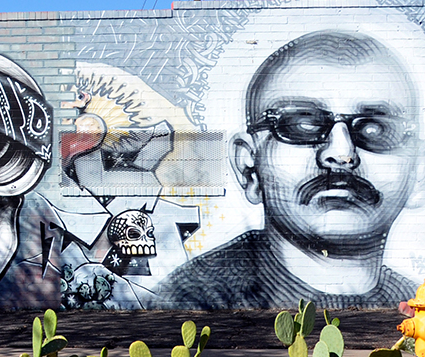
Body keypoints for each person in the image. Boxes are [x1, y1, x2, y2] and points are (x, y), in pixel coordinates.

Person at [153, 30, 422, 308]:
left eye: (374, 129)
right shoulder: (193, 300)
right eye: (301, 125)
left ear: (419, 172)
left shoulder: (414, 302)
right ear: (249, 167)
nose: (342, 154)